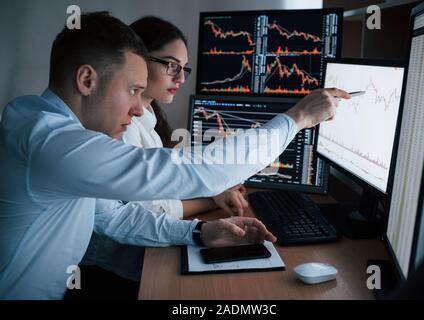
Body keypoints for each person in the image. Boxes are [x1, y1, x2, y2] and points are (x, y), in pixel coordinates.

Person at [0, 12, 350, 299]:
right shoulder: (50, 142)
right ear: (87, 80)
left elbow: (115, 218)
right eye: (133, 91)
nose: (139, 109)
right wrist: (297, 119)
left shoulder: (45, 128)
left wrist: (198, 233)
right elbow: (192, 171)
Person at [82, 16, 249, 286]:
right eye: (172, 66)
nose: (181, 78)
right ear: (137, 59)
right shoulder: (117, 125)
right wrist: (210, 199)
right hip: (106, 272)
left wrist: (213, 192)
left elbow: (159, 187)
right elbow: (152, 208)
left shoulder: (147, 117)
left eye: (184, 69)